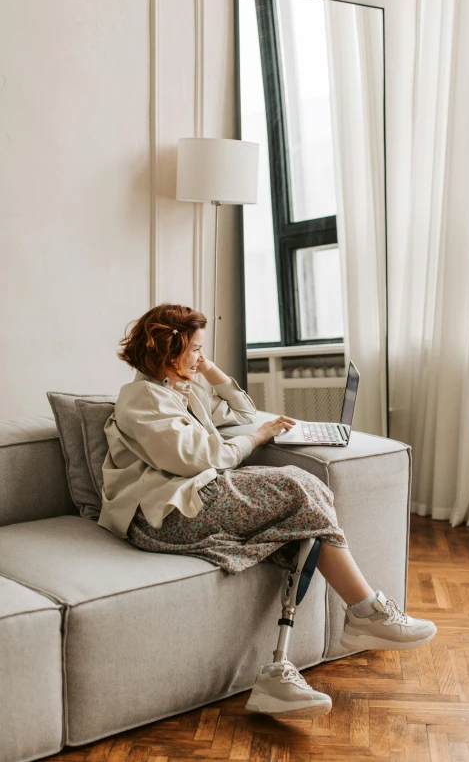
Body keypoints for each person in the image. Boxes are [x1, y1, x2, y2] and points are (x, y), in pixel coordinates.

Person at [99, 303, 436, 718]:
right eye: (195, 349)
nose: (201, 356)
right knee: (300, 485)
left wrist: (210, 371)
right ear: (169, 352)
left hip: (196, 499)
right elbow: (200, 459)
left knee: (305, 533)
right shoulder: (142, 400)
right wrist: (259, 437)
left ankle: (277, 673)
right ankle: (365, 612)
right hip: (165, 516)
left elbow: (242, 411)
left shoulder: (180, 390)